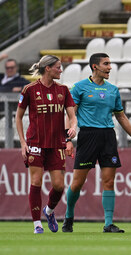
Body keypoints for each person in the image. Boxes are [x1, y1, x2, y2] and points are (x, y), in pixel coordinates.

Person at [62, 53, 131, 233]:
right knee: (77, 183)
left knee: (109, 181)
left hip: (108, 137)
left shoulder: (113, 90)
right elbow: (70, 115)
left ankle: (108, 223)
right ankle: (69, 216)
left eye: (110, 64)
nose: (110, 67)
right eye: (106, 64)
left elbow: (121, 116)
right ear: (95, 67)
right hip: (88, 136)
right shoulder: (79, 88)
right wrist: (67, 139)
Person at [15, 55, 77, 234]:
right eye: (58, 67)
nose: (61, 70)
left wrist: (72, 129)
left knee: (59, 186)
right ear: (48, 68)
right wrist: (23, 142)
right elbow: (18, 117)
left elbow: (72, 116)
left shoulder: (64, 90)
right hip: (35, 142)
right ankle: (37, 225)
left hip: (57, 144)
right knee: (35, 181)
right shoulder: (29, 89)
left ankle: (48, 211)